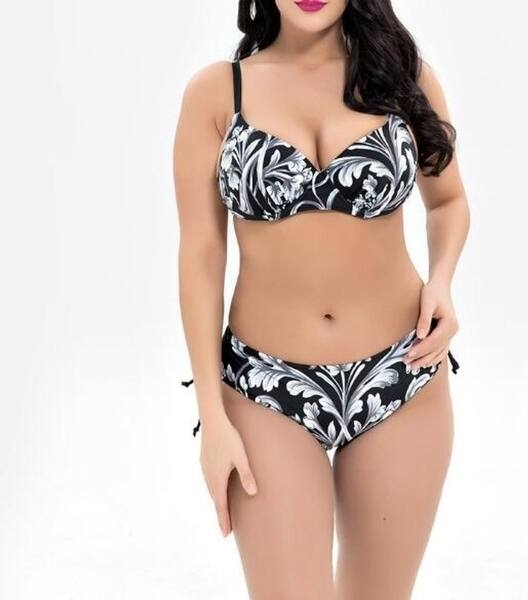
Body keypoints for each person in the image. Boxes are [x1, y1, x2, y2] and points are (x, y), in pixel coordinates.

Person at [173, 0, 470, 597]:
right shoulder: (216, 93)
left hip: (401, 373)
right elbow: (201, 259)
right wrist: (212, 415)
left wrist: (441, 281)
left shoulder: (403, 76)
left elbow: (448, 201)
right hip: (265, 388)